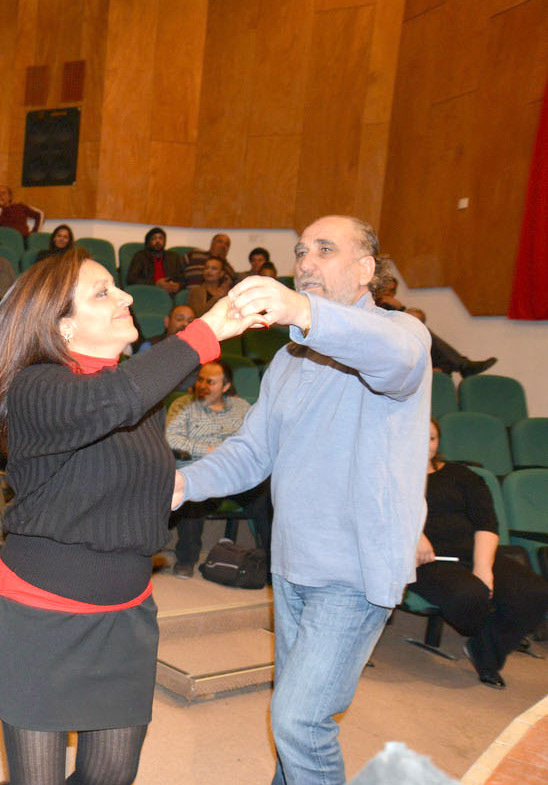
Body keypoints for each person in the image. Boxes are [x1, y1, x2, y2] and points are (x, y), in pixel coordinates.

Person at [0, 247, 255, 785]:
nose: (127, 297)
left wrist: (172, 485)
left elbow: (121, 453)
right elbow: (114, 401)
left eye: (118, 287)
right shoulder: (36, 387)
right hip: (41, 617)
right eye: (103, 292)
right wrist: (208, 330)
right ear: (62, 327)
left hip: (126, 615)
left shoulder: (139, 392)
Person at [175, 215, 432, 785]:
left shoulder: (403, 336)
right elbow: (251, 451)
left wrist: (301, 311)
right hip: (292, 566)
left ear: (366, 270)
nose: (306, 261)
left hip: (354, 569)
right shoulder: (288, 362)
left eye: (325, 249)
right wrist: (183, 484)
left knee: (298, 720)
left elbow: (394, 359)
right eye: (300, 251)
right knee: (297, 716)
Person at [415, 419, 548, 688]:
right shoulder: (391, 475)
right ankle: (492, 629)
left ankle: (485, 652)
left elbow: (486, 523)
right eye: (418, 436)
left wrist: (483, 567)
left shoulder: (463, 475)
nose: (426, 444)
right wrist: (414, 535)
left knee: (534, 592)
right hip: (429, 560)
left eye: (431, 438)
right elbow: (380, 514)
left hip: (475, 552)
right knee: (469, 596)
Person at [165, 360, 270, 578]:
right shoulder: (184, 405)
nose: (202, 385)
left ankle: (270, 563)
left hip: (235, 473)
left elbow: (256, 438)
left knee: (265, 497)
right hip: (201, 470)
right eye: (201, 379)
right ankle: (186, 559)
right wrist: (209, 450)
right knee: (192, 495)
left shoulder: (241, 407)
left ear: (225, 386)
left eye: (210, 382)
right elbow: (171, 438)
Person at [373, 276, 497, 378]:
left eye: (392, 290)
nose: (389, 294)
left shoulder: (391, 307)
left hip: (403, 351)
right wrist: (400, 308)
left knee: (423, 333)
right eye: (385, 289)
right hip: (382, 350)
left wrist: (401, 308)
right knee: (419, 329)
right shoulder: (370, 306)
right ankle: (463, 365)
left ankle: (452, 366)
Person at [125, 226, 184, 293]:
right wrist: (155, 284)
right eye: (154, 238)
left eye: (161, 238)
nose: (158, 241)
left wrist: (179, 286)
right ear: (148, 241)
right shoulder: (141, 256)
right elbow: (131, 279)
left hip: (170, 292)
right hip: (149, 291)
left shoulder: (173, 257)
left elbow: (183, 278)